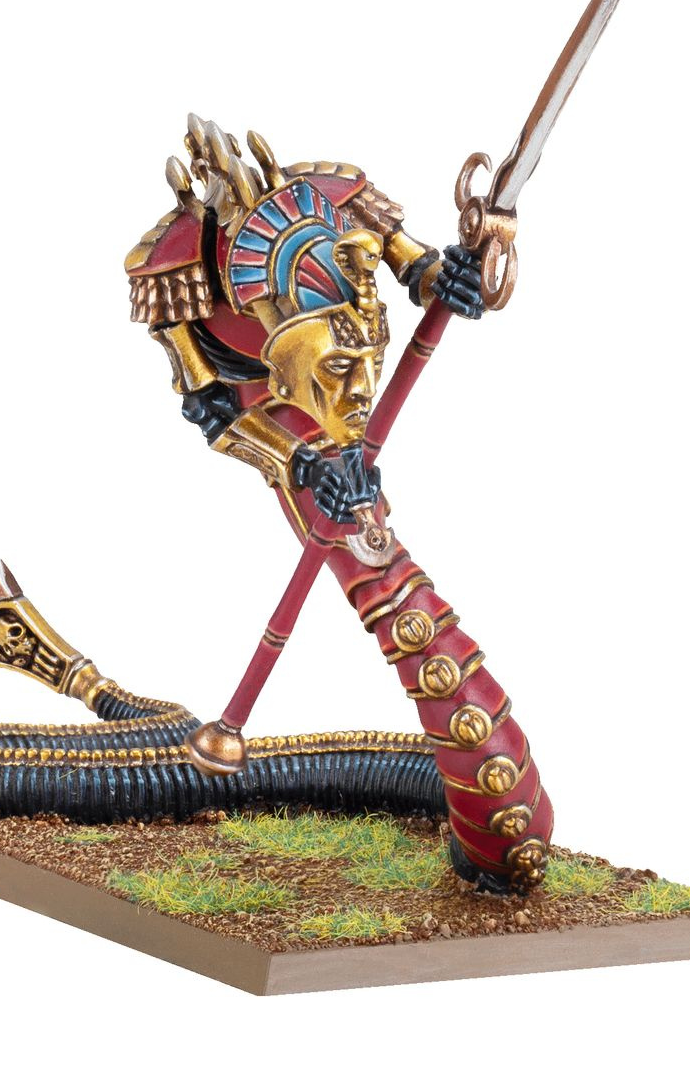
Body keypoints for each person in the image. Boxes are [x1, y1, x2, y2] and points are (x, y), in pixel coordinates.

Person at [125, 115, 552, 892]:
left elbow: (419, 269)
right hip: (273, 408)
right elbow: (214, 411)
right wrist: (302, 460)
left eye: (365, 369)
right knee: (368, 555)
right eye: (344, 372)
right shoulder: (170, 269)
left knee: (368, 526)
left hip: (320, 369)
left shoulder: (341, 199)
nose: (363, 392)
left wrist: (454, 278)